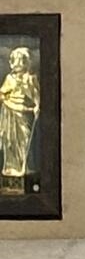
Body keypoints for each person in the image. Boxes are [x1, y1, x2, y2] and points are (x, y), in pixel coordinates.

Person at [0, 46, 39, 191]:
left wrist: (37, 106)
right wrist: (4, 99)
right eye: (14, 61)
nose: (17, 64)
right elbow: (2, 93)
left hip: (24, 113)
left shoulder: (31, 78)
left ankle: (25, 167)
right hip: (10, 112)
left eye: (20, 61)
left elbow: (36, 96)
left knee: (25, 140)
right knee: (10, 141)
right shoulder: (9, 78)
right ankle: (12, 169)